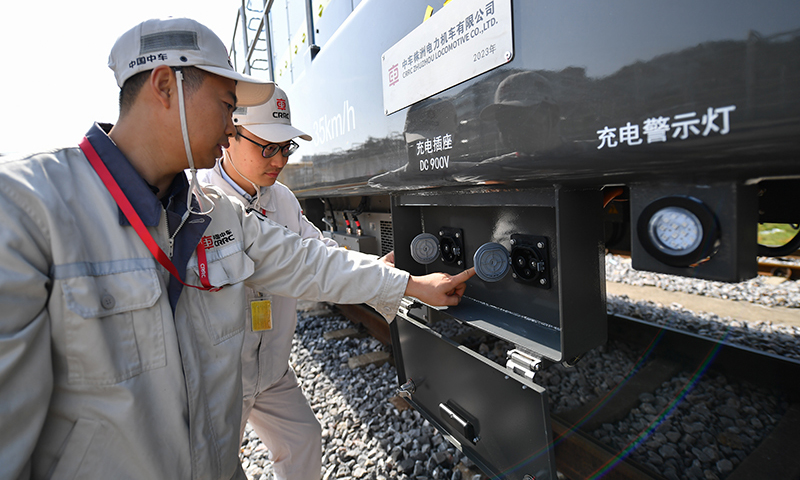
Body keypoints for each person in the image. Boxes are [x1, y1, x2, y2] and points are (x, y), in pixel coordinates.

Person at [0, 17, 475, 480]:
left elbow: (308, 259)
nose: (230, 129)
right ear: (165, 86)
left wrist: (409, 284)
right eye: (227, 105)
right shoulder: (27, 209)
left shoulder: (213, 214)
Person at [196, 86, 342, 480]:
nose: (279, 159)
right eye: (267, 147)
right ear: (230, 134)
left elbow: (320, 250)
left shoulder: (283, 199)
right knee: (217, 468)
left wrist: (378, 269)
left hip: (272, 371)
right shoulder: (198, 203)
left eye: (286, 147)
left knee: (303, 440)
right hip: (223, 382)